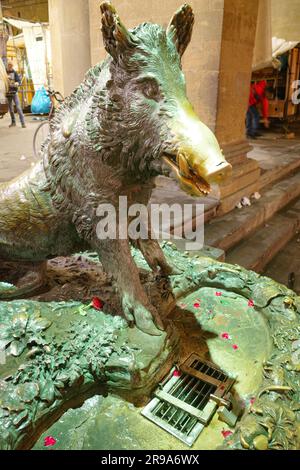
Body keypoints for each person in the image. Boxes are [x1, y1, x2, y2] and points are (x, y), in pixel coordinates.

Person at [6, 62, 26, 128]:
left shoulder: (14, 72)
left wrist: (17, 83)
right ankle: (13, 122)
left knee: (18, 107)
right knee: (11, 108)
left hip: (14, 92)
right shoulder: (5, 73)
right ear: (7, 66)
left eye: (11, 66)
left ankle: (23, 123)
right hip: (8, 92)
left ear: (12, 66)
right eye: (9, 66)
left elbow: (19, 81)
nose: (10, 67)